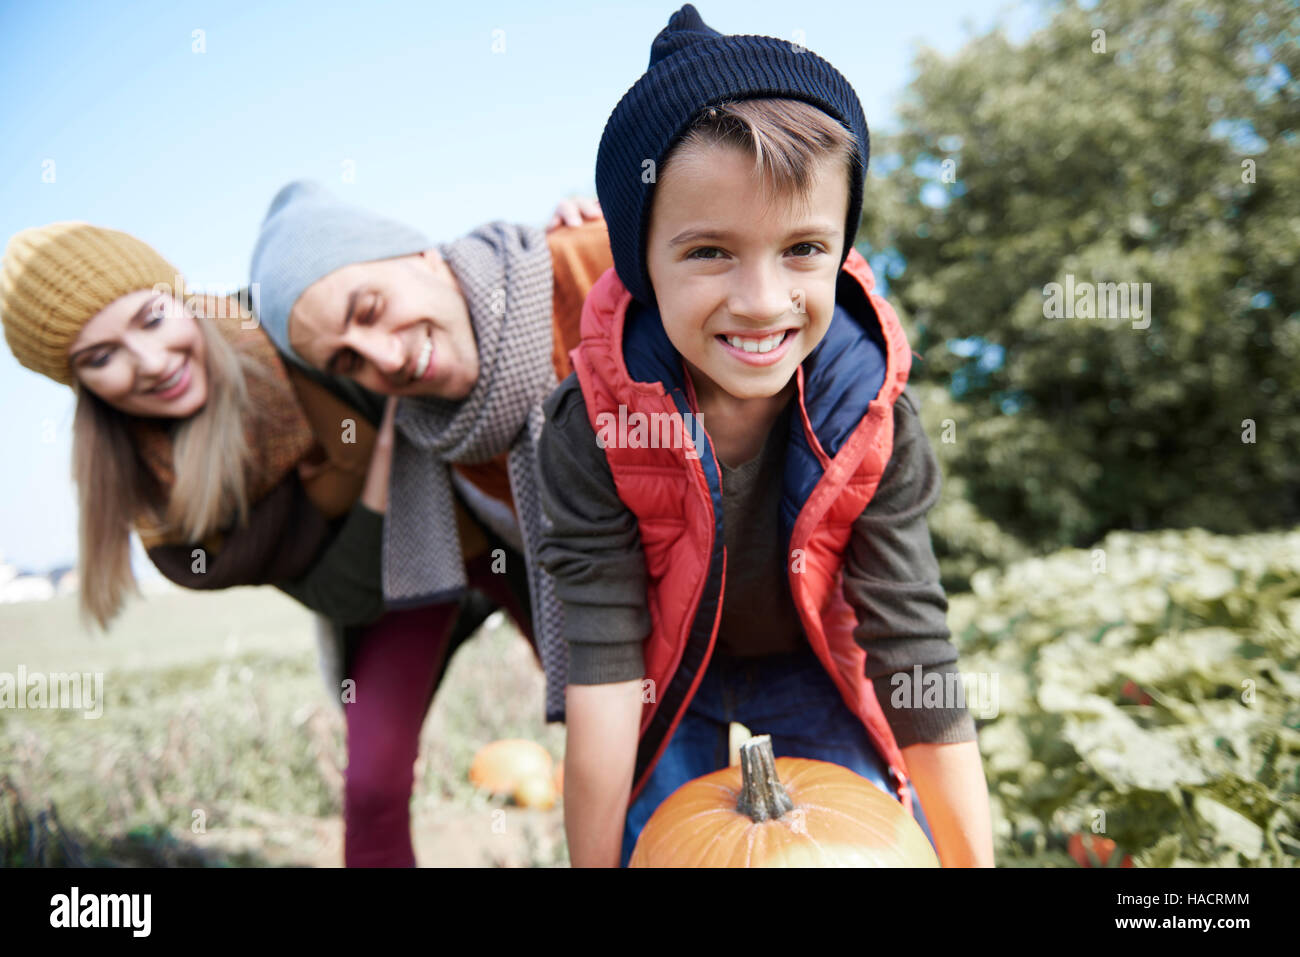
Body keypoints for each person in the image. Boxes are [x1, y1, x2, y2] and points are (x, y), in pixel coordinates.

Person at [536, 4, 996, 867]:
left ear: (839, 248)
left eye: (802, 249)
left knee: (881, 836)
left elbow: (913, 648)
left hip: (812, 663)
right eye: (709, 250)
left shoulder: (873, 414)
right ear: (641, 262)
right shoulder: (593, 424)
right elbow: (600, 668)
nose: (760, 299)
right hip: (668, 676)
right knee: (655, 848)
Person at [248, 183, 612, 854]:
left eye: (372, 308)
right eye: (349, 360)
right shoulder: (433, 432)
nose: (385, 358)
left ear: (421, 254)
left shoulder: (597, 266)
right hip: (603, 621)